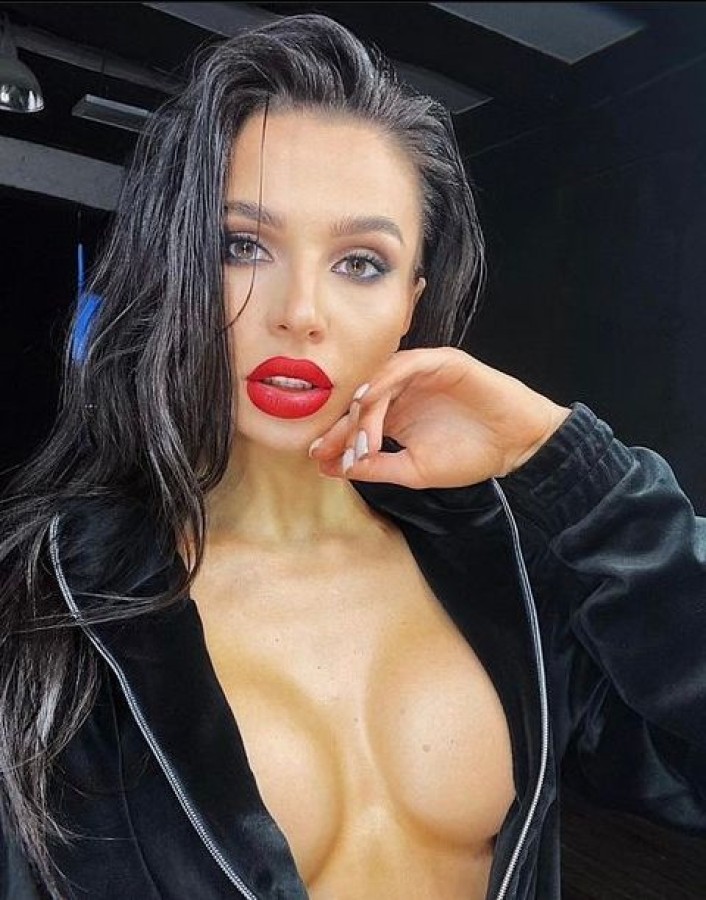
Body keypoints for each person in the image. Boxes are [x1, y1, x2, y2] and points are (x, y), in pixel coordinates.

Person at [1, 12, 705, 900]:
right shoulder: (53, 612)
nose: (300, 311)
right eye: (242, 246)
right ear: (177, 266)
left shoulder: (512, 567)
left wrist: (563, 463)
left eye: (361, 262)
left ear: (411, 299)